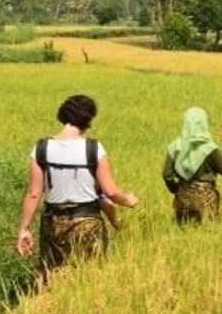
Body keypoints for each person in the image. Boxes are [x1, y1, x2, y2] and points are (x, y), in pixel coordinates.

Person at [16, 94, 138, 271]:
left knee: (51, 275)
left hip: (52, 223)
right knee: (89, 277)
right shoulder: (93, 149)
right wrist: (129, 200)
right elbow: (110, 192)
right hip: (87, 223)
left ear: (63, 115)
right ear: (88, 120)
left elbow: (34, 194)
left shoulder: (41, 148)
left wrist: (24, 229)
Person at [163, 107, 222, 225]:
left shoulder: (175, 147)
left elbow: (167, 174)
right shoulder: (210, 148)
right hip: (207, 201)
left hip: (182, 199)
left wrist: (177, 190)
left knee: (181, 234)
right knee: (208, 236)